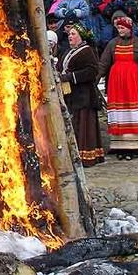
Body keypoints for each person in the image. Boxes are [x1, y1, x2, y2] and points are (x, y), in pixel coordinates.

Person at [98, 15, 138, 160]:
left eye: (123, 27)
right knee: (119, 114)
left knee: (133, 113)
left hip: (133, 84)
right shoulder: (112, 44)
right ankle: (119, 146)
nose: (120, 30)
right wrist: (95, 80)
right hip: (117, 85)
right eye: (118, 27)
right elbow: (103, 64)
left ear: (129, 28)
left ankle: (134, 147)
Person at [57, 23, 104, 167]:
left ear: (81, 36)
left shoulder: (87, 51)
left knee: (83, 124)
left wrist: (71, 77)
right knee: (73, 123)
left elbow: (92, 71)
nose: (70, 36)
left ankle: (86, 155)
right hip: (70, 94)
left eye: (73, 34)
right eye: (69, 34)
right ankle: (73, 155)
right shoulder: (67, 51)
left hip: (84, 94)